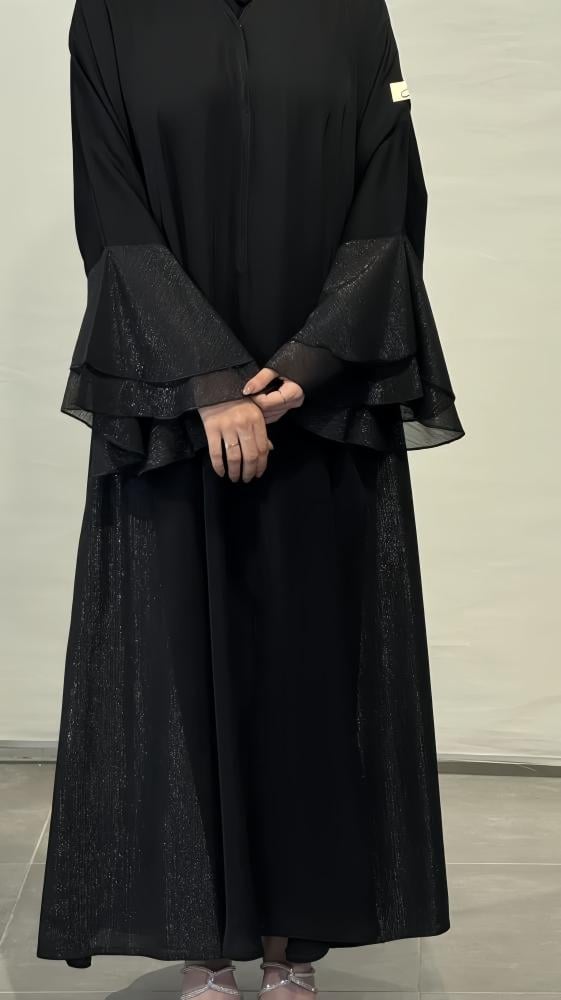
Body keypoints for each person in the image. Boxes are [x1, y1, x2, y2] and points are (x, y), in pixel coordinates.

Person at [37, 0, 464, 997]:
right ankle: (208, 942)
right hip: (172, 403)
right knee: (183, 658)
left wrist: (309, 364)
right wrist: (208, 382)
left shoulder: (350, 14)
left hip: (319, 405)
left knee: (313, 668)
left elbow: (388, 194)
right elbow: (111, 206)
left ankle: (290, 945)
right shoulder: (112, 17)